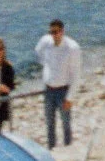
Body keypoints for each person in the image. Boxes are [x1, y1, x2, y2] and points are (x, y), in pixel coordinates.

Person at [35, 18, 82, 148]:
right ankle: (51, 148)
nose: (54, 35)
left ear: (62, 31)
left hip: (63, 90)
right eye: (51, 32)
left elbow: (76, 74)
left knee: (66, 123)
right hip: (49, 89)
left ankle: (68, 148)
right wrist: (45, 66)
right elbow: (37, 51)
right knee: (50, 123)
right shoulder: (46, 41)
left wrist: (70, 97)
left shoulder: (72, 48)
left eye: (56, 32)